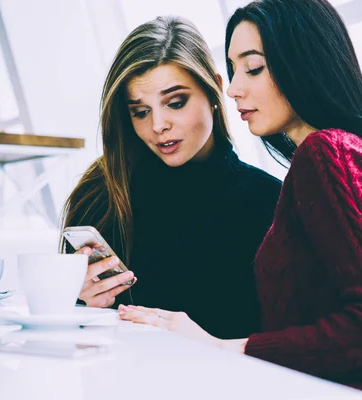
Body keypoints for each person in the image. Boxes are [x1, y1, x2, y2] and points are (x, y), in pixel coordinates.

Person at [120, 1, 362, 398]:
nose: (233, 87)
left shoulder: (329, 155)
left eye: (253, 68)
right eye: (234, 69)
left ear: (303, 63)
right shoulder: (330, 158)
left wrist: (230, 348)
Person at [61, 16, 281, 340]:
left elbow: (289, 345)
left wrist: (214, 345)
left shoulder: (270, 202)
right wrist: (81, 305)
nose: (158, 125)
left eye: (175, 103)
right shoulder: (103, 192)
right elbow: (67, 336)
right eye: (140, 110)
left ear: (215, 88)